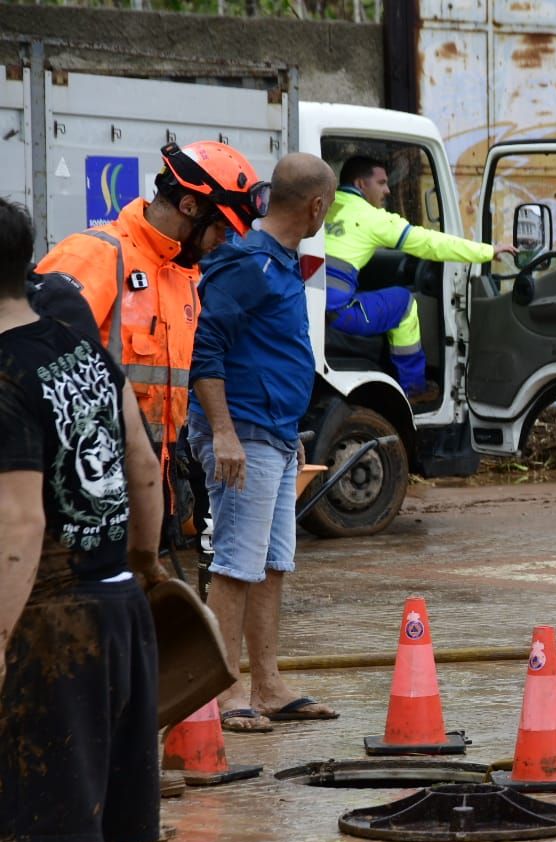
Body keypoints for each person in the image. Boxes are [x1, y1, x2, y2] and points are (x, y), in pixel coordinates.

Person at [0, 196, 167, 842]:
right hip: (121, 603)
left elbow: (18, 524)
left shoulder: (2, 375)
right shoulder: (86, 353)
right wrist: (146, 566)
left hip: (52, 615)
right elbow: (144, 470)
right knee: (120, 822)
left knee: (63, 828)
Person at [189, 154, 340, 733]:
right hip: (242, 435)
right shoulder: (248, 262)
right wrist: (224, 432)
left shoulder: (277, 261)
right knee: (235, 565)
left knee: (272, 565)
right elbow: (207, 351)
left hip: (271, 434)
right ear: (316, 206)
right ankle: (224, 693)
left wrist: (286, 433)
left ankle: (268, 685)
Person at [35, 140, 262, 512]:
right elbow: (36, 367)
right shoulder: (94, 254)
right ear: (190, 206)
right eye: (221, 227)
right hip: (87, 480)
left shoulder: (184, 275)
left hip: (152, 481)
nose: (224, 241)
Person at [325, 156, 515, 408]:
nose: (387, 189)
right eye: (381, 183)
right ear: (361, 183)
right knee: (404, 303)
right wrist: (487, 251)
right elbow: (430, 243)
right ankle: (414, 387)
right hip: (337, 315)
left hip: (308, 309)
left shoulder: (324, 207)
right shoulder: (372, 218)